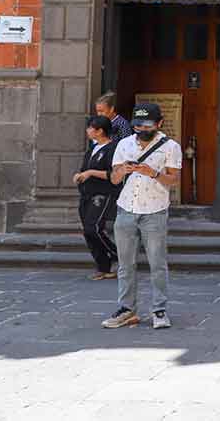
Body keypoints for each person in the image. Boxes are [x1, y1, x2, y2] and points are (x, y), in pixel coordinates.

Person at [102, 103, 182, 330]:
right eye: (137, 124)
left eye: (147, 124)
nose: (141, 128)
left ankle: (159, 309)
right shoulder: (124, 144)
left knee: (157, 263)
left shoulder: (170, 147)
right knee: (125, 264)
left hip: (155, 211)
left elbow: (174, 180)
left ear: (159, 124)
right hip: (126, 209)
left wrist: (154, 173)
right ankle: (127, 309)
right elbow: (114, 180)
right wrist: (122, 170)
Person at [73, 116, 119, 280]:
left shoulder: (112, 149)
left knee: (94, 228)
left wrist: (90, 173)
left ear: (99, 131)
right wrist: (80, 175)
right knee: (87, 231)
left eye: (90, 128)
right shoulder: (92, 149)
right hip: (86, 193)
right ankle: (103, 267)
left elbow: (113, 174)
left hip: (102, 194)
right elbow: (85, 168)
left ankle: (117, 255)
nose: (87, 130)